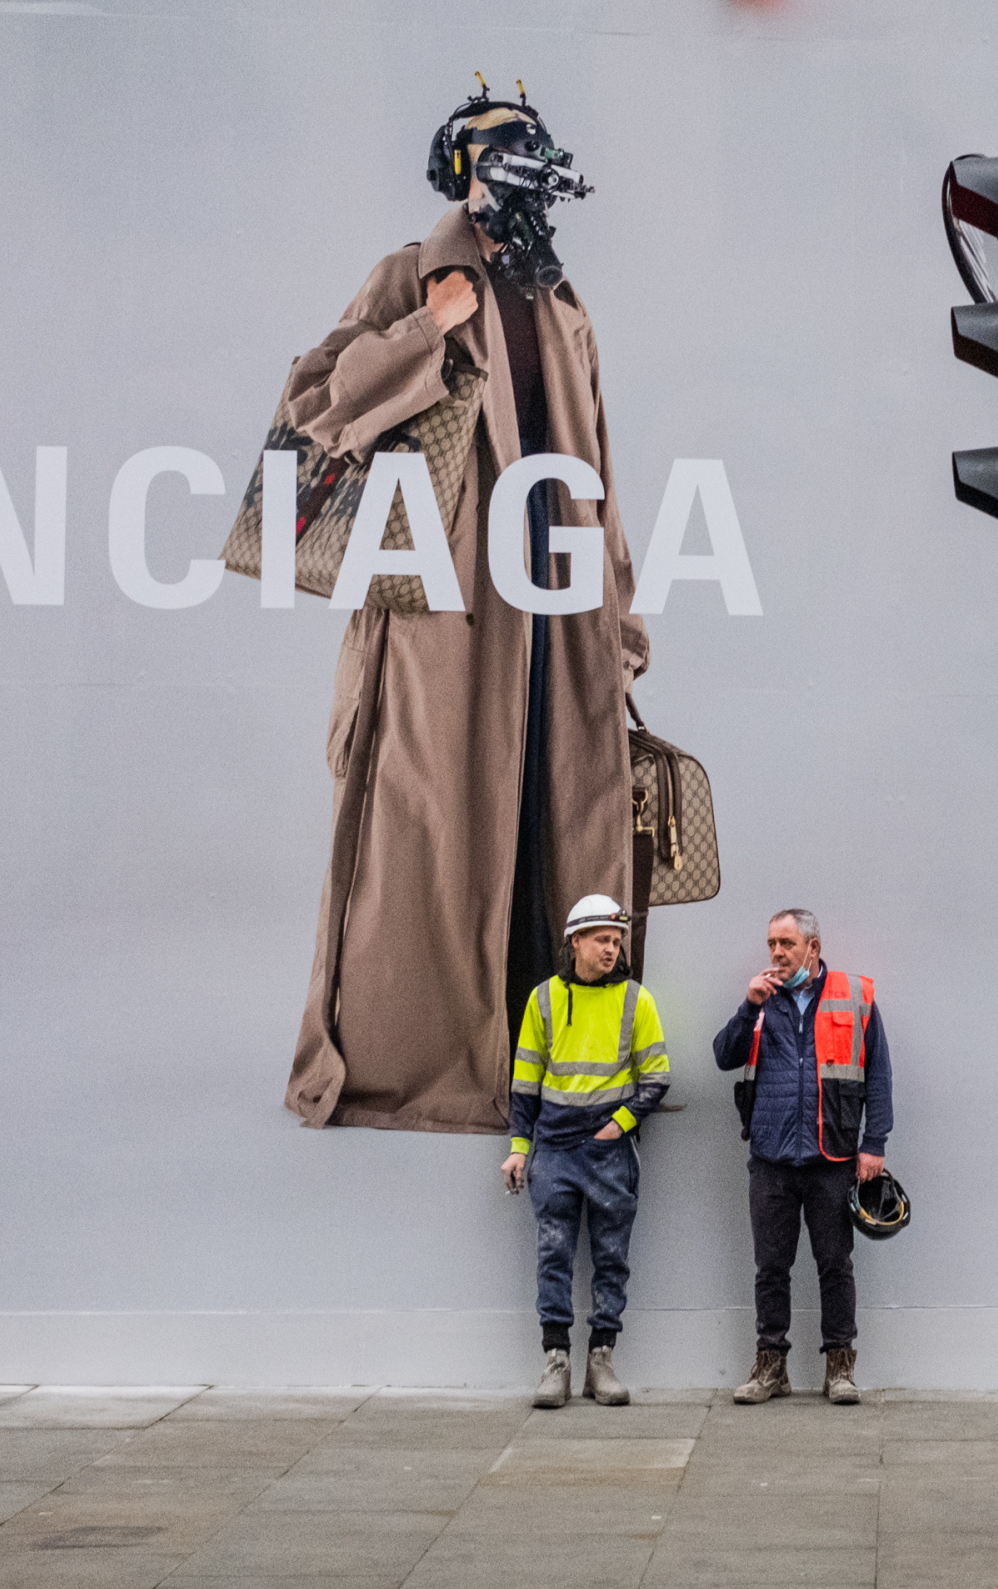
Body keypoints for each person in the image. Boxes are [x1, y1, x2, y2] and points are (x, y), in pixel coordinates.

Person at [282, 85, 649, 1136]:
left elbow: (596, 471)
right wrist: (425, 327)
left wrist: (619, 618)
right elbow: (316, 410)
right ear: (463, 176)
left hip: (555, 601)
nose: (522, 189)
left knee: (558, 810)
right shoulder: (411, 276)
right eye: (500, 165)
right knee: (433, 819)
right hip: (443, 610)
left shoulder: (561, 303)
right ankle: (425, 1058)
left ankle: (562, 1057)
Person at [712, 909, 893, 1405]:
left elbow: (878, 1075)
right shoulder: (761, 1001)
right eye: (771, 943)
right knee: (771, 1267)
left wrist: (874, 1143)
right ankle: (771, 1367)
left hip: (832, 1158)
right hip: (771, 1158)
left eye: (786, 943)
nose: (776, 952)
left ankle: (840, 1368)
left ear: (813, 947)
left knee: (835, 1265)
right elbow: (724, 1055)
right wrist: (748, 1006)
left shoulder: (854, 996)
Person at [503, 894, 670, 1409]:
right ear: (575, 941)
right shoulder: (544, 1000)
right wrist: (518, 1148)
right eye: (602, 939)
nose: (612, 949)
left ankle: (602, 1362)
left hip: (609, 1154)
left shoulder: (636, 1000)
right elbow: (525, 1082)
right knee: (553, 1254)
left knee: (611, 1259)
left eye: (616, 940)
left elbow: (658, 1077)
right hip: (554, 1151)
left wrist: (617, 1128)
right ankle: (556, 1363)